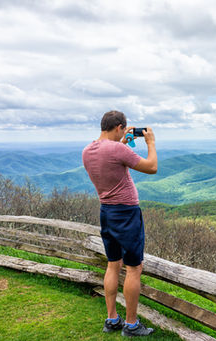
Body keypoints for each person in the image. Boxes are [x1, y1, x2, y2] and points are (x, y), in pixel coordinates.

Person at [82, 110, 157, 337]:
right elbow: (151, 167)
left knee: (113, 264)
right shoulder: (117, 149)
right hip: (126, 213)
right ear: (118, 127)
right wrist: (151, 142)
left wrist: (122, 144)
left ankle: (112, 319)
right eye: (124, 130)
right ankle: (132, 325)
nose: (125, 132)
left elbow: (110, 161)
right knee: (134, 267)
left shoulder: (87, 151)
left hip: (106, 212)